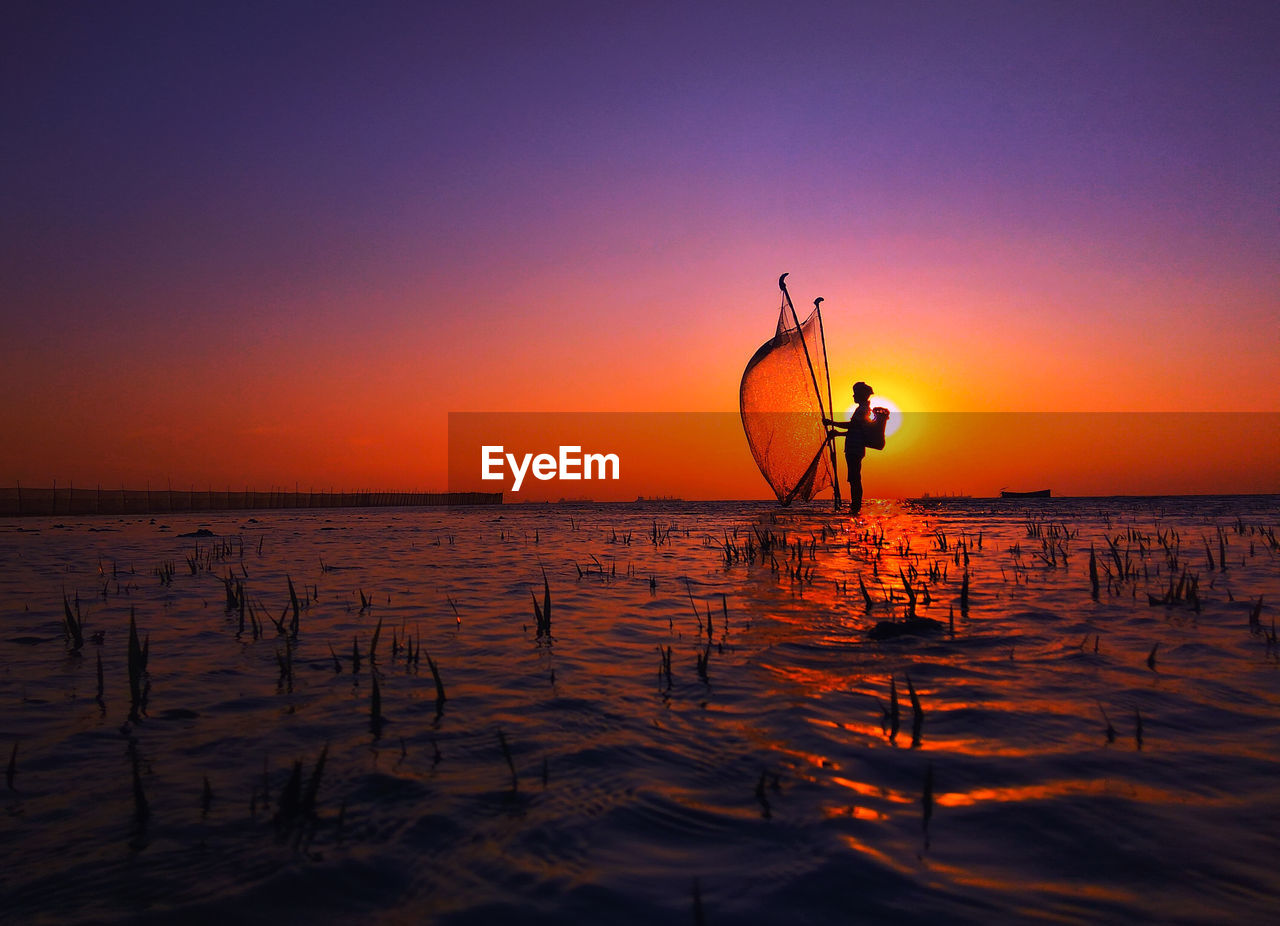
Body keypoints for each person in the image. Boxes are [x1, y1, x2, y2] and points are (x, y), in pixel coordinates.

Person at [824, 382, 889, 514]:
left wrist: (832, 423)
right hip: (854, 448)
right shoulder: (863, 409)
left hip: (855, 449)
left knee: (854, 479)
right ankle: (855, 506)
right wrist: (837, 433)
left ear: (861, 395)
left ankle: (855, 507)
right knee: (854, 478)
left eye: (855, 393)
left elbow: (852, 426)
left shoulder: (862, 410)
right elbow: (856, 430)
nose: (853, 395)